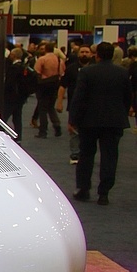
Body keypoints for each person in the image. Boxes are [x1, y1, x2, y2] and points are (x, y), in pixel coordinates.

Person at [69, 42, 132, 206]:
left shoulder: (87, 72)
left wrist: (73, 119)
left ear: (96, 55)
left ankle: (83, 189)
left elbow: (79, 98)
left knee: (86, 155)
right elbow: (127, 98)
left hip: (89, 121)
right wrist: (122, 114)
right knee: (110, 156)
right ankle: (104, 193)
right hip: (114, 121)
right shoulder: (123, 73)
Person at [63, 46, 94, 164]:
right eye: (82, 52)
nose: (84, 54)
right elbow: (63, 85)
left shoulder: (94, 69)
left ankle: (86, 154)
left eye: (87, 52)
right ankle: (75, 154)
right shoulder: (71, 68)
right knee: (74, 131)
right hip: (74, 104)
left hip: (91, 106)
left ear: (91, 54)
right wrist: (60, 101)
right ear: (78, 54)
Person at [32, 41, 64, 138]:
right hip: (55, 84)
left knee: (42, 109)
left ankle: (43, 131)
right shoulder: (59, 60)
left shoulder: (42, 59)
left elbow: (36, 71)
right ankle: (57, 125)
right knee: (51, 107)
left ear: (45, 49)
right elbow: (62, 72)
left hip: (43, 85)